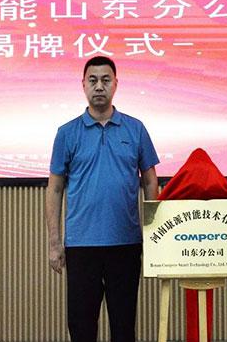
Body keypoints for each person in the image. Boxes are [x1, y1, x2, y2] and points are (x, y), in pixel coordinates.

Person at [46, 56, 159, 342]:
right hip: (81, 245)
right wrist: (55, 243)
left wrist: (153, 233)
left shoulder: (135, 129)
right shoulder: (67, 133)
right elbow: (55, 188)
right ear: (83, 85)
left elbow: (150, 180)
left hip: (126, 243)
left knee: (124, 326)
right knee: (82, 328)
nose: (99, 86)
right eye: (93, 80)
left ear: (116, 84)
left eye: (106, 80)